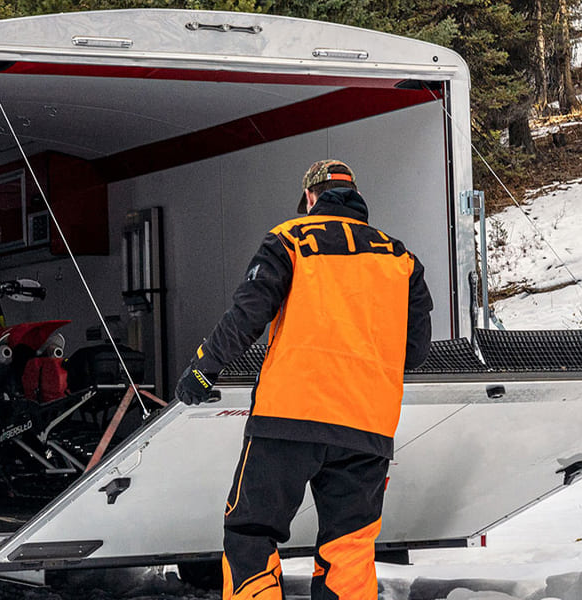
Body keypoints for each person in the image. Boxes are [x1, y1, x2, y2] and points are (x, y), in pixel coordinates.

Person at [174, 160, 433, 599]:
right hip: (368, 426)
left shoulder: (289, 239)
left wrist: (203, 367)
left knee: (252, 531)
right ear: (355, 196)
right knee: (349, 548)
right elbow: (415, 350)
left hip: (289, 419)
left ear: (311, 198)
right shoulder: (400, 258)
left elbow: (247, 315)